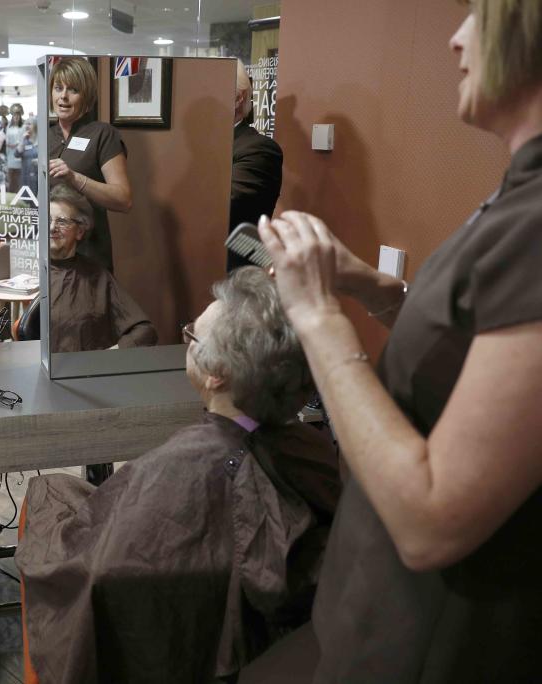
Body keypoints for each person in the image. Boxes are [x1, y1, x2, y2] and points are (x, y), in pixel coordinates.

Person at [241, 4, 542, 682]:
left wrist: (317, 316)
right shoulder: (514, 198)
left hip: (434, 640)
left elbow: (433, 517)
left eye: (476, 16)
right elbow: (464, 352)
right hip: (370, 606)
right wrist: (372, 288)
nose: (455, 36)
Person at [16, 267, 340, 684]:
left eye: (192, 336)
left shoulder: (183, 469)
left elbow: (98, 573)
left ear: (216, 374)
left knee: (49, 493)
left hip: (150, 640)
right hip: (274, 654)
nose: (187, 339)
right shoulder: (312, 449)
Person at [48, 57, 132, 273]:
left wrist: (74, 178)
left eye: (73, 90)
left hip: (89, 255)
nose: (63, 97)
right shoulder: (44, 134)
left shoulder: (103, 134)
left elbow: (123, 199)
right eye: (58, 88)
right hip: (48, 252)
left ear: (86, 95)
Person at [48, 186, 157, 352]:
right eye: (47, 219)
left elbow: (145, 332)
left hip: (83, 374)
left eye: (61, 221)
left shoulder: (97, 277)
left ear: (80, 231)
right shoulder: (29, 272)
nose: (51, 228)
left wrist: (106, 358)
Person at [227, 59, 283, 272]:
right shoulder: (205, 145)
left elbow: (225, 207)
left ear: (238, 98)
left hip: (239, 274)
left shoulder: (259, 149)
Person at [5, 103, 26, 193]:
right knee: (11, 178)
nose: (16, 117)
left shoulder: (23, 127)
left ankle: (20, 195)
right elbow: (6, 141)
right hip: (10, 156)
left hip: (20, 156)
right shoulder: (9, 127)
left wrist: (18, 145)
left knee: (19, 179)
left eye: (18, 115)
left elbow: (24, 141)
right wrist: (9, 145)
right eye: (14, 115)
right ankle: (11, 195)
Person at [16, 118, 39, 198]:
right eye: (26, 124)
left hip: (38, 175)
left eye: (29, 124)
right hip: (26, 174)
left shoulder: (41, 140)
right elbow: (17, 154)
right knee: (27, 199)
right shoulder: (24, 140)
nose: (27, 126)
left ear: (35, 126)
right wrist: (22, 140)